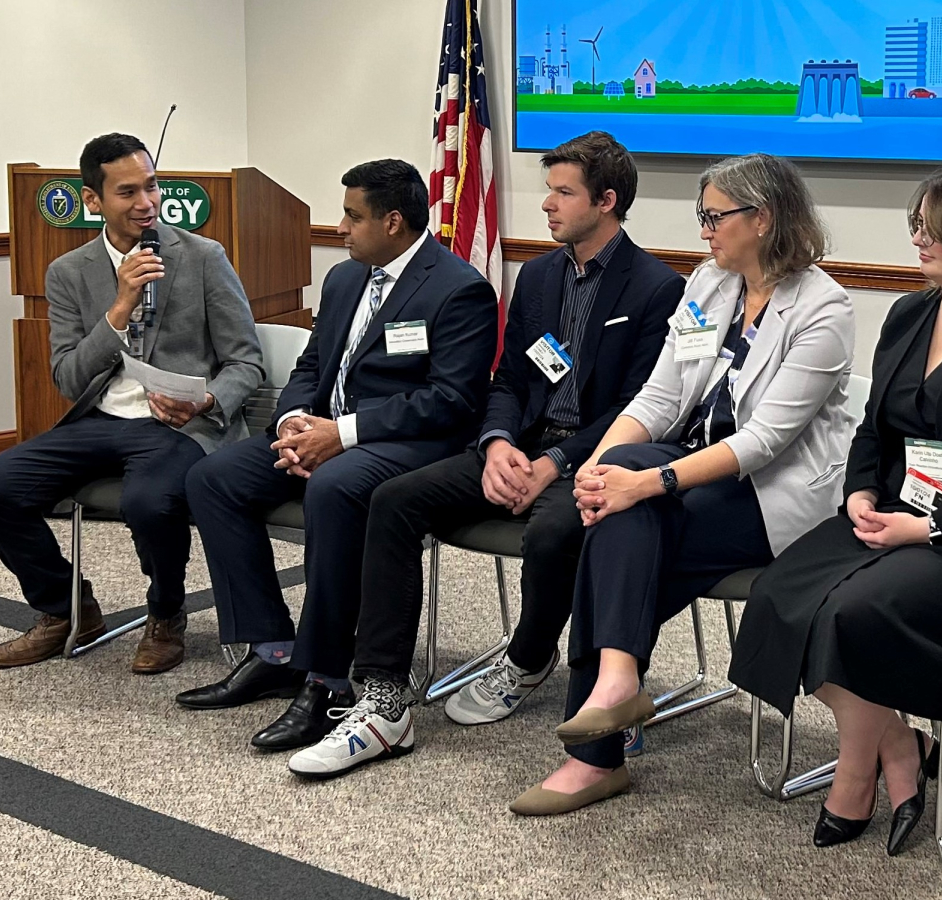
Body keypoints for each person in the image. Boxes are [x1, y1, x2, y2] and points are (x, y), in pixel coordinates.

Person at [283, 131, 685, 779]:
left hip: (601, 455)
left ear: (607, 201)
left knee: (557, 528)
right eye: (547, 190)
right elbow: (511, 382)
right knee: (394, 499)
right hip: (519, 446)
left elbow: (641, 405)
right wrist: (498, 444)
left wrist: (556, 465)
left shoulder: (657, 288)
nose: (548, 205)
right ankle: (384, 696)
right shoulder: (540, 276)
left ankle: (528, 658)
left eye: (563, 192)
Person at [728, 166, 942, 856]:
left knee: (853, 614)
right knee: (778, 594)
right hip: (898, 512)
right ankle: (900, 744)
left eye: (931, 225)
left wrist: (929, 528)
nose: (918, 238)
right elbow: (874, 431)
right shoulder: (909, 313)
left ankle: (856, 774)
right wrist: (858, 489)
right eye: (915, 223)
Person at [510, 152, 857, 815]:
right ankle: (615, 685)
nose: (703, 229)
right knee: (614, 510)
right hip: (689, 474)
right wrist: (599, 470)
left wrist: (647, 482)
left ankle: (596, 752)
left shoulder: (824, 309)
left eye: (714, 216)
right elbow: (661, 398)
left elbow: (762, 444)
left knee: (619, 532)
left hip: (771, 496)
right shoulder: (709, 284)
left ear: (763, 218)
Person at [174, 160, 499, 754]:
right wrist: (295, 423)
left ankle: (326, 679)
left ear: (393, 221)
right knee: (212, 478)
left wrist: (340, 435)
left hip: (406, 445)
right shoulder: (346, 279)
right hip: (324, 431)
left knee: (335, 487)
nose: (340, 228)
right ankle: (273, 649)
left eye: (352, 216)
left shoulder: (460, 288)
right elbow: (312, 366)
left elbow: (450, 401)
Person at [0, 133, 263, 675]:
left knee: (148, 502)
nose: (147, 202)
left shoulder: (202, 257)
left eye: (151, 186)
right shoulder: (68, 272)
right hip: (99, 419)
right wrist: (119, 308)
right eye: (128, 192)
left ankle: (166, 613)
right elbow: (68, 378)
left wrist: (208, 400)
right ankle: (66, 608)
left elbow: (247, 361)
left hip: (178, 427)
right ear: (93, 201)